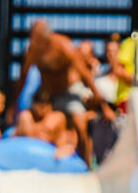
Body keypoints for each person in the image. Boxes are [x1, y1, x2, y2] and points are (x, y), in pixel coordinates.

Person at [16, 19, 100, 161]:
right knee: (28, 120)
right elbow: (23, 76)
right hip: (47, 95)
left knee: (79, 123)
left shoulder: (63, 46)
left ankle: (86, 165)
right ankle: (29, 157)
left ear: (46, 36)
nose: (33, 40)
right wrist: (14, 104)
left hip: (68, 92)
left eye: (35, 37)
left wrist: (98, 98)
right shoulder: (33, 50)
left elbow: (84, 73)